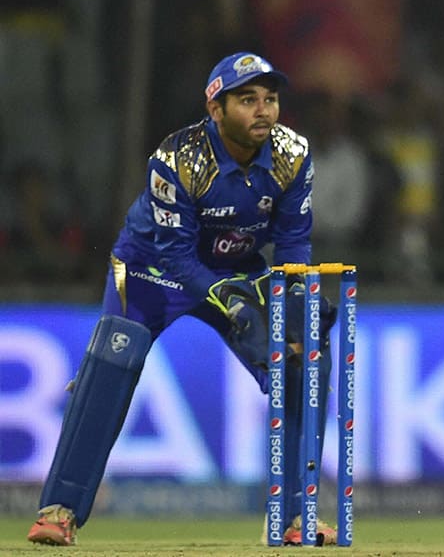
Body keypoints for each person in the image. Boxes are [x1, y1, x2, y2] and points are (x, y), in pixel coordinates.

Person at [26, 52, 338, 547]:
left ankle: (292, 518)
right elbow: (175, 258)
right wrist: (228, 302)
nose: (263, 111)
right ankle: (59, 510)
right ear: (216, 109)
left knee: (302, 363)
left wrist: (294, 296)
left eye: (270, 99)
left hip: (238, 267)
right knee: (116, 353)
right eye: (247, 100)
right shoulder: (178, 160)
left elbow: (293, 242)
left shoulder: (292, 154)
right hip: (154, 271)